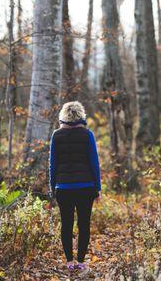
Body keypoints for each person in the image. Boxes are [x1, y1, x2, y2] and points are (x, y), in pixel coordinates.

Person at [49, 101, 102, 274]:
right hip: (86, 186)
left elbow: (53, 165)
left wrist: (52, 187)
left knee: (66, 224)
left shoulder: (56, 135)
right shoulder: (87, 135)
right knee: (84, 224)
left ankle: (69, 261)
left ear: (63, 115)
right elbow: (94, 163)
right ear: (81, 114)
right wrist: (98, 187)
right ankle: (80, 261)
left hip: (63, 187)